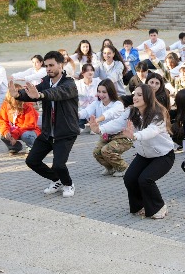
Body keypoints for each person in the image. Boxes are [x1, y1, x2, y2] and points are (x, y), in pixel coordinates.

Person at [19, 50, 80, 197]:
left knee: (58, 165)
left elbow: (57, 93)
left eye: (51, 65)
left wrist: (41, 95)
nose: (48, 69)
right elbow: (33, 93)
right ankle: (56, 179)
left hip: (65, 132)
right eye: (46, 66)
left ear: (61, 65)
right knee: (32, 161)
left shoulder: (69, 84)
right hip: (48, 131)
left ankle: (68, 184)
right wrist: (18, 95)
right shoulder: (46, 81)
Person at [122, 83, 175, 218]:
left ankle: (159, 207)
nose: (135, 97)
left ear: (148, 97)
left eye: (139, 95)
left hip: (163, 155)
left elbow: (151, 131)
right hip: (144, 155)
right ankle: (139, 206)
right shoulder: (133, 111)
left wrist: (134, 136)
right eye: (134, 94)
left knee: (145, 179)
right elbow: (116, 122)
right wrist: (100, 129)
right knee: (130, 178)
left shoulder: (157, 115)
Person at [90, 79, 133, 176]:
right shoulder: (98, 103)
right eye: (99, 91)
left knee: (106, 150)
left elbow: (109, 114)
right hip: (106, 135)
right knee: (97, 152)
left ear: (111, 92)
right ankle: (111, 168)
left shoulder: (117, 104)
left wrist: (97, 121)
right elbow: (86, 111)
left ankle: (124, 168)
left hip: (122, 136)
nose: (101, 95)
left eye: (104, 92)